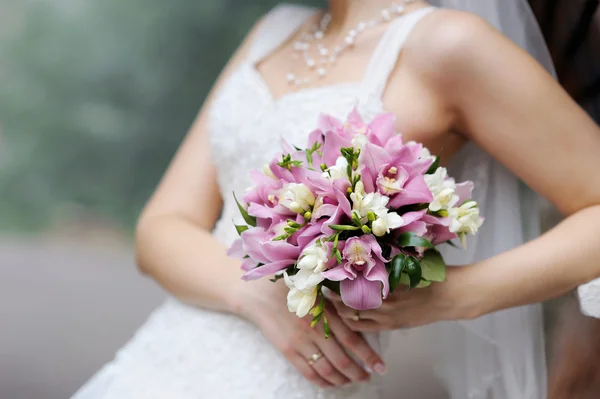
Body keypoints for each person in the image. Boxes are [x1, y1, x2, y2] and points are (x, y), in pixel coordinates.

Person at [72, 1, 600, 398]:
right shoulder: (274, 30)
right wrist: (256, 298)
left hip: (298, 380)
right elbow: (161, 227)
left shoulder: (448, 44)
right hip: (163, 356)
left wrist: (455, 296)